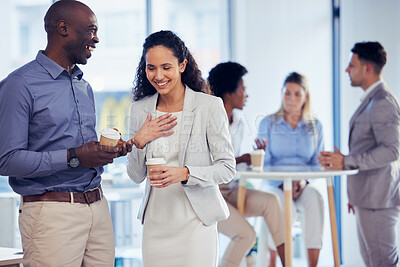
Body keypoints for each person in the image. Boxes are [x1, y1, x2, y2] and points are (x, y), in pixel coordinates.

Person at [0, 1, 133, 266]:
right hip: (51, 213)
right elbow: (7, 160)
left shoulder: (84, 87)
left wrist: (107, 151)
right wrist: (75, 156)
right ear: (64, 28)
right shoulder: (19, 85)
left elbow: (83, 152)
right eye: (92, 30)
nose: (96, 38)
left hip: (97, 207)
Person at [126, 30, 236, 267]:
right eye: (151, 68)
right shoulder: (139, 110)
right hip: (156, 224)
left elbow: (227, 168)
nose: (158, 75)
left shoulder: (209, 106)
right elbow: (135, 176)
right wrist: (139, 141)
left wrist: (185, 173)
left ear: (182, 65)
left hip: (196, 223)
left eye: (166, 67)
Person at [319, 42, 400, 267]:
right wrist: (357, 193)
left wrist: (347, 161)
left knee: (383, 263)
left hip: (379, 201)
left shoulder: (382, 102)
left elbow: (392, 150)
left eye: (351, 65)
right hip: (369, 198)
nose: (346, 70)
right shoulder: (372, 101)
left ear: (367, 69)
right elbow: (369, 148)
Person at [207, 61, 286, 267]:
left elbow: (234, 167)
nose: (246, 94)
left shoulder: (239, 122)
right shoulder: (208, 121)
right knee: (246, 235)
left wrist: (253, 160)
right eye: (243, 88)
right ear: (229, 93)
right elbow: (212, 164)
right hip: (210, 196)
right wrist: (242, 159)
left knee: (272, 202)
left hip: (233, 189)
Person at [257, 72, 324, 267]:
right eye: (287, 93)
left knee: (316, 199)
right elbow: (264, 163)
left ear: (306, 97)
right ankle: (274, 261)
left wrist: (303, 182)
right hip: (274, 184)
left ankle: (313, 264)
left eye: (297, 94)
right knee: (282, 206)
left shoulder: (315, 126)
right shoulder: (267, 123)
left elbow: (317, 163)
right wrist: (283, 183)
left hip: (303, 184)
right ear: (282, 94)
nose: (291, 99)